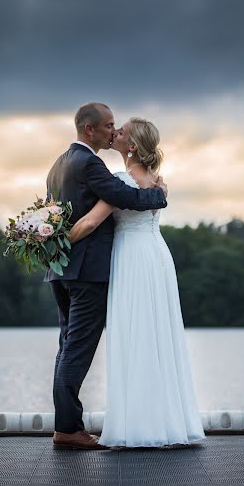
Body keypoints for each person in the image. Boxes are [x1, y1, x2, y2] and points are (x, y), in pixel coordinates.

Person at [68, 117, 206, 447]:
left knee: (135, 334)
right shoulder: (157, 181)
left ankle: (137, 425)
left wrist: (51, 241)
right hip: (157, 255)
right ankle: (166, 422)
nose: (114, 132)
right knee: (158, 335)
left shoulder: (120, 181)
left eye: (121, 131)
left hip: (131, 257)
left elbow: (88, 223)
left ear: (130, 146)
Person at [46, 102, 168, 450]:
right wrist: (158, 196)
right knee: (76, 351)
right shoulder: (92, 164)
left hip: (62, 271)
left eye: (118, 128)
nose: (113, 132)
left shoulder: (60, 164)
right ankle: (68, 429)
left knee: (66, 348)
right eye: (109, 126)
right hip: (87, 272)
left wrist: (51, 248)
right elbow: (118, 198)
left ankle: (66, 426)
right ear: (90, 130)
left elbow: (56, 211)